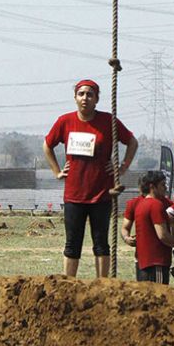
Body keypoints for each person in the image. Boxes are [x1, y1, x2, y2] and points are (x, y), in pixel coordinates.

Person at [43, 79, 138, 278]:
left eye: (90, 94)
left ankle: (102, 284)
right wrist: (57, 171)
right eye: (81, 94)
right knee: (72, 243)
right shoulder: (65, 121)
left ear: (96, 99)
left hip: (101, 194)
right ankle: (69, 283)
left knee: (101, 242)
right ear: (75, 97)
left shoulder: (108, 121)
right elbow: (47, 145)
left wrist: (122, 167)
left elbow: (132, 142)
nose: (85, 98)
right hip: (74, 195)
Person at [133, 171, 174, 284]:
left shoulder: (140, 205)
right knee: (158, 293)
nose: (165, 188)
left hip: (143, 262)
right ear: (152, 187)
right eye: (162, 185)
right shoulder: (156, 205)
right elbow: (163, 235)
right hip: (156, 261)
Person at [121, 174, 149, 280]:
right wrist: (126, 238)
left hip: (158, 256)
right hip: (141, 255)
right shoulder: (133, 203)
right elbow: (125, 227)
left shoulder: (163, 202)